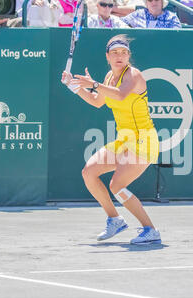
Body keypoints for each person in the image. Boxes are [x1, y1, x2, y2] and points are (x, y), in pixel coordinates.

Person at [61, 34, 162, 245]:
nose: (120, 56)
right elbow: (98, 102)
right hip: (123, 139)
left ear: (128, 56)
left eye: (124, 53)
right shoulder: (108, 77)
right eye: (115, 52)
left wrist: (94, 84)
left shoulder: (134, 75)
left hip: (144, 139)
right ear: (107, 56)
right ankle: (115, 219)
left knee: (117, 185)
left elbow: (120, 95)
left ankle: (150, 230)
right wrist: (75, 87)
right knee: (89, 172)